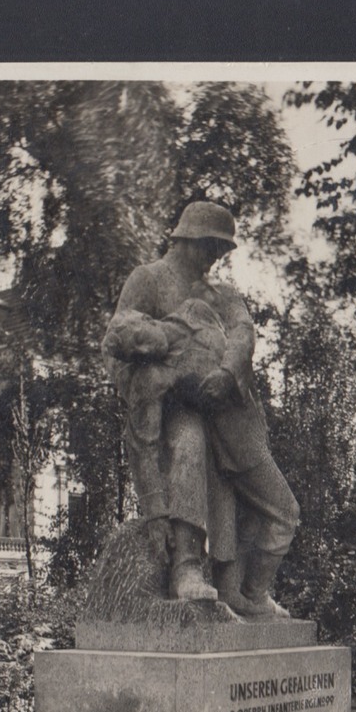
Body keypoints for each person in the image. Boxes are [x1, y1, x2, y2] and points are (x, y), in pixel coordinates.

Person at [103, 201, 299, 620]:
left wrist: (228, 373)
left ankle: (247, 591)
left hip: (228, 415)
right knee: (189, 444)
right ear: (189, 239)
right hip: (174, 406)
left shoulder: (219, 293)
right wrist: (160, 347)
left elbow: (243, 332)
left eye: (220, 250)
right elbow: (118, 333)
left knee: (283, 510)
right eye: (210, 246)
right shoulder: (149, 279)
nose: (215, 257)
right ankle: (186, 567)